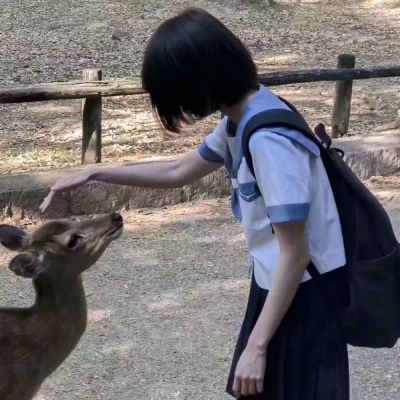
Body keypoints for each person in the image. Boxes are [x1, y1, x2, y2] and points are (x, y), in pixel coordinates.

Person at [40, 7, 349, 399]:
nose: (177, 109)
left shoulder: (268, 141)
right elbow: (178, 172)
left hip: (305, 298)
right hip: (276, 287)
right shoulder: (241, 117)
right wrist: (95, 172)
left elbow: (296, 253)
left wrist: (257, 346)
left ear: (198, 80)